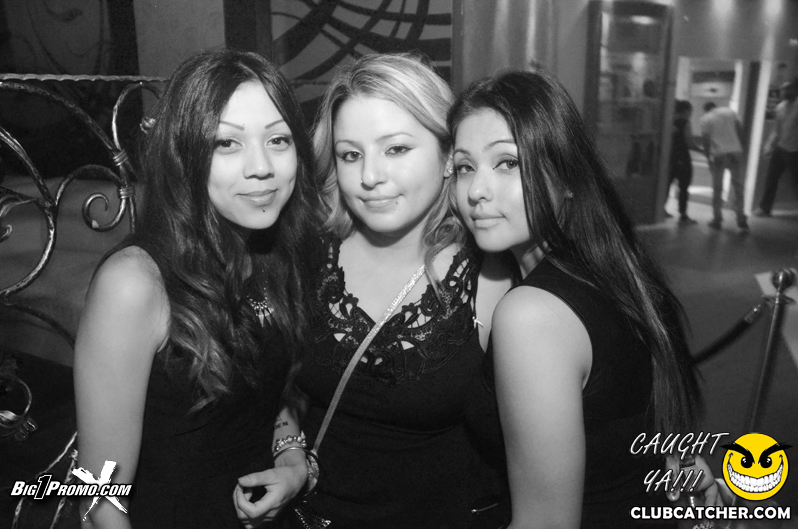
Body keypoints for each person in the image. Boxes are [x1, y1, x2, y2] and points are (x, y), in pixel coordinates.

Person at [73, 48, 321, 528]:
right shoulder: (135, 284)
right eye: (226, 143)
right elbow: (98, 498)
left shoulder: (276, 252)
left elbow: (269, 388)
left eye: (278, 139)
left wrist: (291, 460)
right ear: (184, 155)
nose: (261, 167)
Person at [449, 69, 705, 528]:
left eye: (507, 163)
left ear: (566, 176)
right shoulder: (617, 269)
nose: (476, 191)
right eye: (465, 167)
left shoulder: (532, 314)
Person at [292, 52, 512, 528]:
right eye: (351, 155)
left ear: (448, 155)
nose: (370, 177)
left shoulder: (493, 276)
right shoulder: (308, 255)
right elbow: (270, 388)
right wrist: (287, 450)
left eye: (395, 149)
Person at [699, 102, 749, 231]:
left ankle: (717, 219)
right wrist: (740, 148)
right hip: (736, 152)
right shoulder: (729, 112)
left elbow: (705, 139)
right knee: (738, 187)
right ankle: (741, 218)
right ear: (715, 106)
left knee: (717, 188)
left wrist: (707, 157)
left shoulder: (705, 118)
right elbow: (740, 131)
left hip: (719, 155)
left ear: (706, 109)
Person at [756, 78, 798, 217]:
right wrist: (769, 145)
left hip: (795, 151)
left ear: (795, 89)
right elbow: (776, 130)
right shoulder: (780, 107)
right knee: (771, 179)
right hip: (781, 148)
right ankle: (765, 208)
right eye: (782, 89)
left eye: (787, 89)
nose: (783, 92)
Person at [665, 100, 698, 225]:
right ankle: (683, 215)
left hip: (669, 157)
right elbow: (689, 142)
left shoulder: (669, 121)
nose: (691, 114)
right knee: (683, 187)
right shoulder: (685, 123)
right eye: (690, 111)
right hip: (682, 157)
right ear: (686, 110)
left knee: (666, 184)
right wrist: (701, 150)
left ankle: (661, 209)